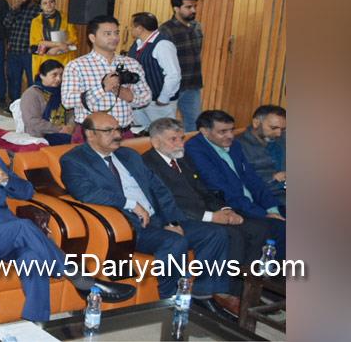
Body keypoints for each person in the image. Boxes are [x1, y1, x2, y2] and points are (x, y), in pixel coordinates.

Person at [0, 112, 135, 322]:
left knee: (32, 258)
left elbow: (27, 192)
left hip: (10, 236)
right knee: (23, 226)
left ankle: (36, 322)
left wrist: (7, 180)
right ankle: (80, 278)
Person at [60, 112, 232, 310]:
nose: (117, 135)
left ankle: (203, 294)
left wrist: (172, 221)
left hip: (159, 219)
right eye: (109, 131)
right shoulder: (75, 160)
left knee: (215, 233)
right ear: (90, 134)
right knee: (175, 242)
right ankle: (168, 301)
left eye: (118, 129)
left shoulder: (129, 155)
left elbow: (160, 189)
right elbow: (86, 193)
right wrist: (130, 204)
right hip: (131, 225)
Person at [143, 117, 271, 314]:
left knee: (257, 228)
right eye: (173, 139)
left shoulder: (182, 158)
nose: (180, 143)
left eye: (181, 138)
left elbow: (204, 190)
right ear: (155, 142)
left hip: (204, 212)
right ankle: (209, 294)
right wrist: (211, 216)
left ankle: (240, 291)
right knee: (226, 234)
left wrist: (224, 210)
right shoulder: (148, 163)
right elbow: (166, 202)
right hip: (173, 218)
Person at [184, 110, 286, 255]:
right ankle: (268, 274)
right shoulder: (195, 149)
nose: (230, 135)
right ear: (204, 131)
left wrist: (272, 209)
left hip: (251, 203)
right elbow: (220, 188)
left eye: (231, 130)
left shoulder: (234, 145)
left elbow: (253, 180)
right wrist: (263, 214)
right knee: (278, 228)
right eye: (223, 131)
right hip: (230, 206)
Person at [61, 15, 151, 132]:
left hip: (123, 132)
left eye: (116, 33)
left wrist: (129, 96)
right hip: (91, 134)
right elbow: (67, 101)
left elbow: (147, 97)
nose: (114, 38)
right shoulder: (76, 66)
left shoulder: (131, 63)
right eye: (108, 34)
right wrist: (102, 88)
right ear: (92, 38)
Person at [127, 12, 181, 133]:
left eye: (132, 26)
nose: (131, 29)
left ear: (140, 28)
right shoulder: (137, 44)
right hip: (139, 100)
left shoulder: (163, 45)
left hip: (158, 103)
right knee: (141, 135)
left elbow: (173, 74)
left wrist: (163, 98)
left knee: (164, 134)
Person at [159, 0, 204, 131]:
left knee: (194, 123)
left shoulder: (197, 27)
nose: (193, 10)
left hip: (193, 84)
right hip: (173, 86)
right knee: (167, 125)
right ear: (176, 8)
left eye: (194, 6)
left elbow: (198, 52)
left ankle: (190, 152)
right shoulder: (165, 30)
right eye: (188, 7)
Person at [16, 60, 75, 145]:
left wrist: (70, 126)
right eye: (54, 75)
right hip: (40, 136)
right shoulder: (32, 94)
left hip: (64, 131)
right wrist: (58, 129)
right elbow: (32, 121)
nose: (59, 79)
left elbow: (71, 112)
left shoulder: (63, 91)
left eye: (61, 75)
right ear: (42, 76)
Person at [236, 105, 287, 203]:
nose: (278, 133)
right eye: (273, 128)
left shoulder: (282, 140)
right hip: (264, 198)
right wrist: (273, 178)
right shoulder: (237, 145)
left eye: (283, 129)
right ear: (256, 123)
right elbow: (238, 181)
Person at [28, 0, 79, 86]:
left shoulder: (66, 17)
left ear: (55, 3)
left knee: (64, 86)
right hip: (45, 58)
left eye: (51, 2)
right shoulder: (36, 21)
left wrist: (59, 48)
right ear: (41, 6)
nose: (49, 5)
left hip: (65, 57)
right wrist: (58, 45)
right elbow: (37, 42)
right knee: (45, 89)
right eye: (45, 3)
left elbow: (73, 38)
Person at [2, 0, 39, 104]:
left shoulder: (38, 10)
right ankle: (14, 104)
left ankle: (31, 105)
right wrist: (13, 11)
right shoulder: (17, 10)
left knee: (32, 80)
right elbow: (6, 24)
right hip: (14, 50)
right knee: (13, 79)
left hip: (29, 53)